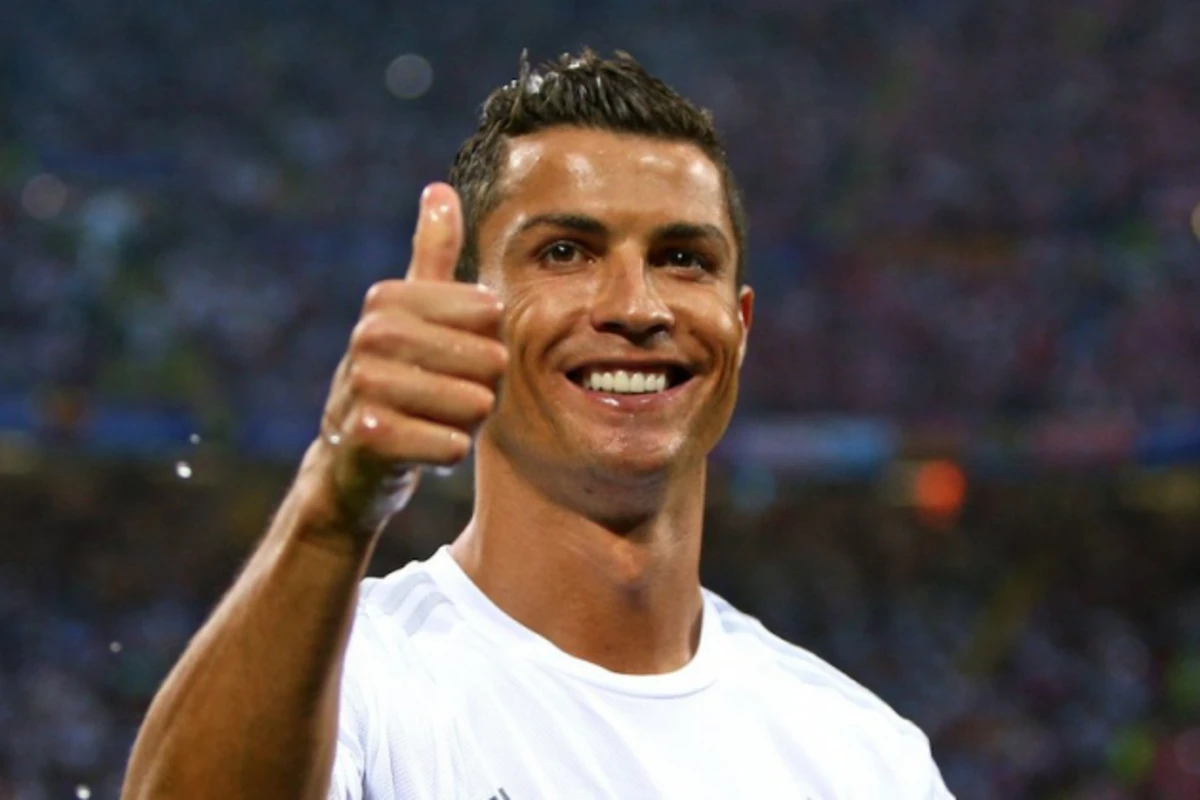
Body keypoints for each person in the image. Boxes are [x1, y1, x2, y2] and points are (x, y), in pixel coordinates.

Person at [122, 50, 953, 800]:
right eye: (565, 252)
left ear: (740, 326)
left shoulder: (866, 761)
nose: (636, 307)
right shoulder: (351, 687)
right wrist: (332, 510)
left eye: (682, 259)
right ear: (466, 312)